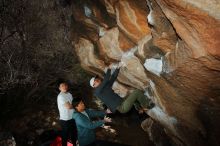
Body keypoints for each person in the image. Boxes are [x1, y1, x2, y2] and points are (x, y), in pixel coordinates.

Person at [90, 63, 154, 114]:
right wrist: (109, 68)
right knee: (137, 92)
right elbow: (106, 79)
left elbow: (113, 77)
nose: (98, 79)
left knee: (131, 93)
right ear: (94, 85)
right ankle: (146, 106)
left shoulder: (105, 87)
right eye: (96, 80)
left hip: (122, 101)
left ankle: (139, 108)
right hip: (122, 107)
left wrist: (118, 68)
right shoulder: (97, 92)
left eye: (97, 79)